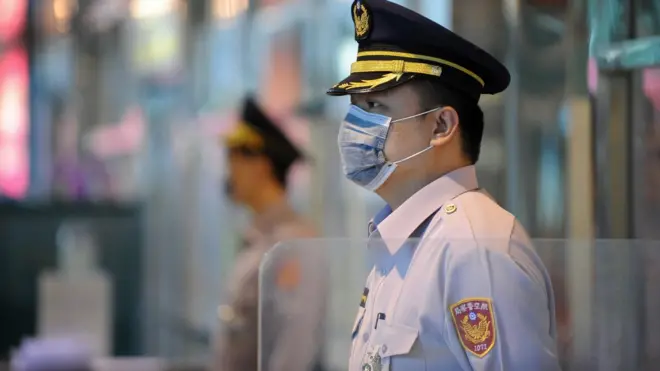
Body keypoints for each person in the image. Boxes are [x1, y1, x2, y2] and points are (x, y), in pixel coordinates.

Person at [328, 1, 561, 370]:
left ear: (441, 126)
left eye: (374, 105)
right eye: (355, 108)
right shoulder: (404, 241)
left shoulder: (472, 249)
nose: (356, 123)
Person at [213, 96, 326, 371]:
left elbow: (293, 349)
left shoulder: (293, 243)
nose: (229, 172)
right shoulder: (258, 237)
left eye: (235, 160)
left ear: (261, 165)